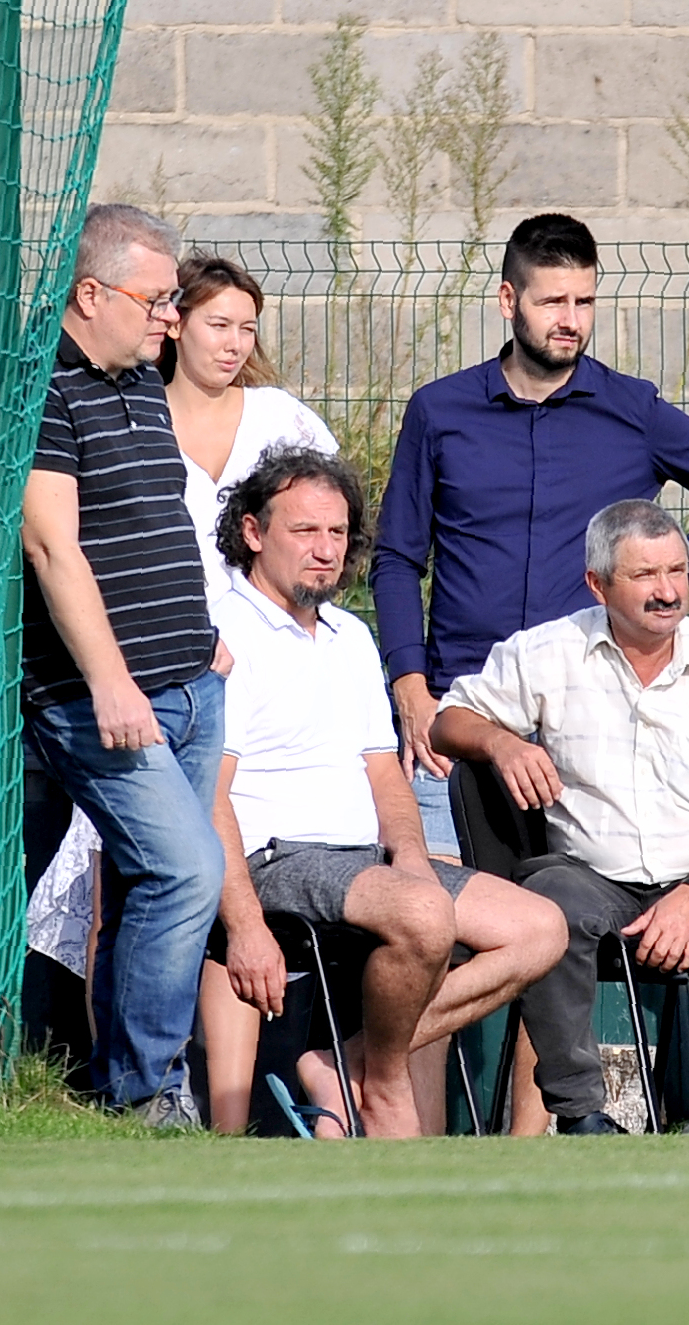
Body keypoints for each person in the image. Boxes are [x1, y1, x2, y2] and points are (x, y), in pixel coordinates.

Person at [374, 212, 689, 875]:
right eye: (552, 302)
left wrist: (658, 577)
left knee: (579, 911)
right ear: (508, 300)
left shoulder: (632, 411)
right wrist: (411, 689)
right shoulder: (440, 411)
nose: (570, 320)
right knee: (443, 906)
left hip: (590, 727)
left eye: (584, 302)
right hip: (462, 716)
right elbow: (397, 558)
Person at [431, 498, 689, 1135]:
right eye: (645, 574)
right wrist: (501, 742)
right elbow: (448, 721)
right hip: (590, 878)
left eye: (676, 571)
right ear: (598, 584)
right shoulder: (548, 652)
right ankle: (580, 1116)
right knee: (547, 902)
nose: (668, 591)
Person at [203, 445, 565, 1138]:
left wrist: (413, 859)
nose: (325, 550)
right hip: (276, 856)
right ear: (253, 532)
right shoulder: (225, 632)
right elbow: (209, 795)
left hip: (366, 862)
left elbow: (384, 773)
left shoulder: (350, 636)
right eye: (305, 531)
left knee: (541, 928)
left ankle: (353, 1061)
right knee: (425, 917)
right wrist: (245, 925)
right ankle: (387, 1082)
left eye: (337, 533)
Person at [21, 203, 231, 1126]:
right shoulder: (42, 388)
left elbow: (156, 520)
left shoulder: (140, 378)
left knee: (155, 882)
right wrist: (111, 681)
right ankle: (148, 1089)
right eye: (156, 300)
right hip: (101, 696)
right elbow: (51, 547)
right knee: (187, 872)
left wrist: (203, 636)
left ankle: (120, 1086)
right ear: (89, 293)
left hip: (192, 680)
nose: (171, 318)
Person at [162, 252, 337, 602]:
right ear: (175, 324)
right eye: (219, 326)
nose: (235, 345)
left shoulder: (279, 417)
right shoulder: (140, 419)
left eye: (247, 329)